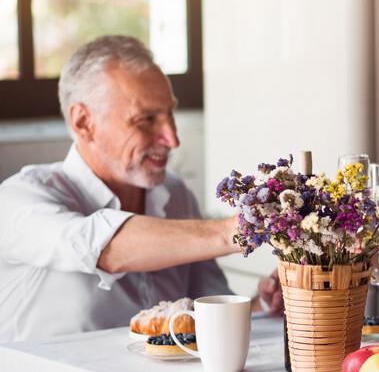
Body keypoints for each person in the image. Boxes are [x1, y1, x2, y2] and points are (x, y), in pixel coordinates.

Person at [0, 36, 270, 343]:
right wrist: (235, 230)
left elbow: (211, 314)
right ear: (84, 122)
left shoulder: (176, 195)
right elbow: (103, 249)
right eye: (146, 120)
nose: (172, 139)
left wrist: (263, 305)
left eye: (170, 114)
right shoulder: (20, 199)